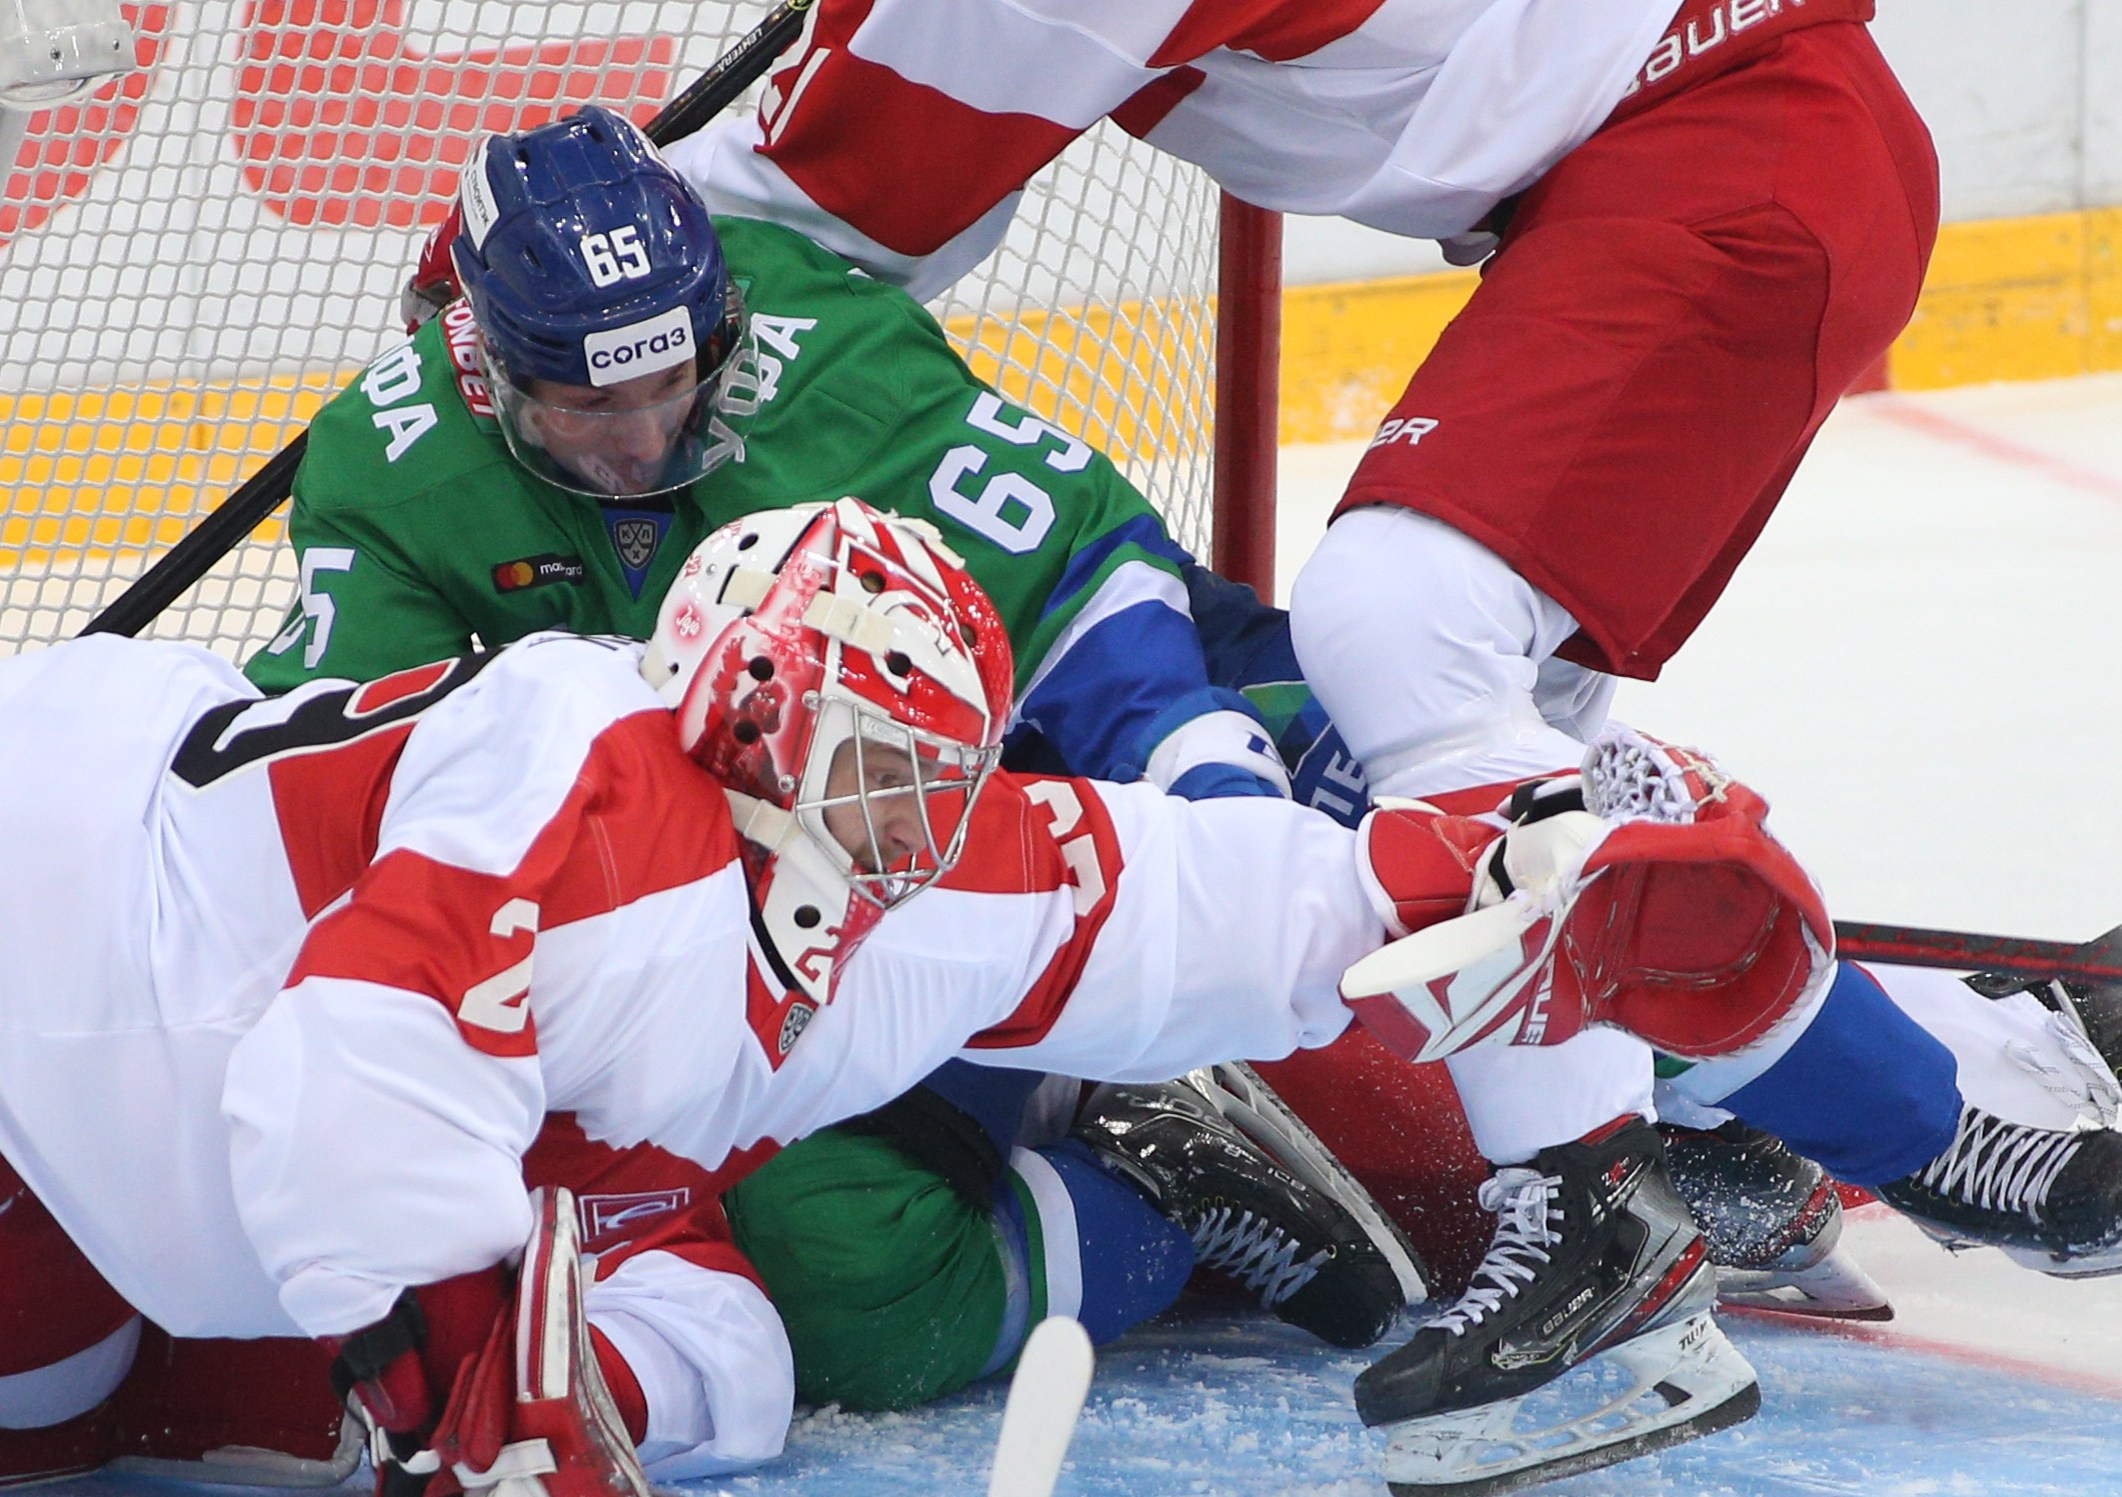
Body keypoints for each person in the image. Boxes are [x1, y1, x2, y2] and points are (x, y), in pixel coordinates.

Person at [670, 0, 2122, 1332]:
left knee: (1395, 634)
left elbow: (794, 241)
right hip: (1694, 163)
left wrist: (503, 296)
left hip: (1717, 158)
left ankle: (1588, 1219)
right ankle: (2072, 1029)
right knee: (1477, 837)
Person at [0, 495, 1864, 1497]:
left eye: (922, 778)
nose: (886, 836)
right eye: (854, 767)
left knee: (49, 1406)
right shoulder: (587, 782)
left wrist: (1447, 882)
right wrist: (467, 1415)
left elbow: (1165, 902)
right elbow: (355, 1055)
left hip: (164, 1159)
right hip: (49, 924)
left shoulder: (917, 883)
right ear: (724, 705)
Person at [253, 103, 1428, 1378]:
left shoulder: (820, 352)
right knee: (841, 1281)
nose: (645, 436)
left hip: (1003, 781)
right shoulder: (391, 467)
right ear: (482, 362)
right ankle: (1159, 1174)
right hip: (743, 888)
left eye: (672, 379)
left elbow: (1083, 582)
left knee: (1386, 789)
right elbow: (333, 782)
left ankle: (1643, 1110)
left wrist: (1212, 797)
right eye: (588, 404)